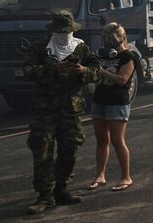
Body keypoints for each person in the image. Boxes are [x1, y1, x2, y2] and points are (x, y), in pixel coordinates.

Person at [22, 11, 99, 215]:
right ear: (52, 31)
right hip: (44, 110)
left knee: (69, 148)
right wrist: (53, 70)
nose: (64, 35)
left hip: (71, 109)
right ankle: (44, 196)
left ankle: (61, 189)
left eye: (67, 31)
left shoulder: (80, 48)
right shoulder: (39, 48)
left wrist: (83, 71)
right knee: (42, 152)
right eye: (60, 31)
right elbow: (27, 71)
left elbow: (97, 70)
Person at [89, 23, 140, 192]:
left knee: (117, 140)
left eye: (110, 38)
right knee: (101, 140)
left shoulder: (129, 57)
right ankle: (100, 175)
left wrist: (101, 71)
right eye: (105, 39)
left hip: (117, 103)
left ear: (120, 38)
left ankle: (126, 177)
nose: (107, 42)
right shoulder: (102, 55)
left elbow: (122, 79)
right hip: (99, 101)